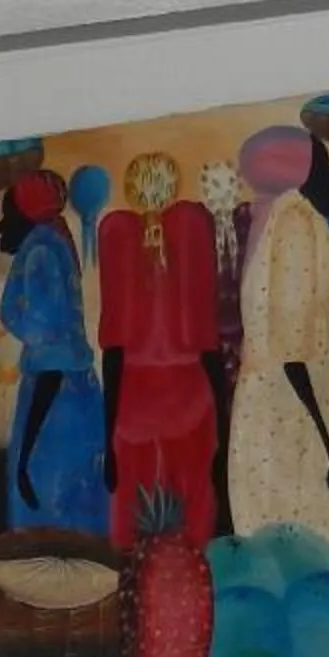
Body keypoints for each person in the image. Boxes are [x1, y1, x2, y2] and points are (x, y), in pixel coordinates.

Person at [225, 127, 329, 543]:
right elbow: (292, 351)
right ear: (298, 174)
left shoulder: (278, 216)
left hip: (274, 400)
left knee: (271, 529)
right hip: (293, 409)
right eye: (322, 168)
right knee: (303, 531)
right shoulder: (296, 220)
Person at [96, 152, 225, 546]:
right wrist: (225, 420)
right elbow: (208, 342)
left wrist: (107, 436)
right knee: (193, 503)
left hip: (133, 401)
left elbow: (113, 349)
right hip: (189, 394)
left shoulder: (114, 233)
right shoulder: (192, 228)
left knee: (132, 509)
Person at [0, 169, 110, 534]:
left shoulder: (41, 253)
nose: (0, 226)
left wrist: (25, 458)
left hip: (56, 409)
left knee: (50, 515)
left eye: (8, 215)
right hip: (73, 397)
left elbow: (52, 360)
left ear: (26, 215)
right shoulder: (52, 245)